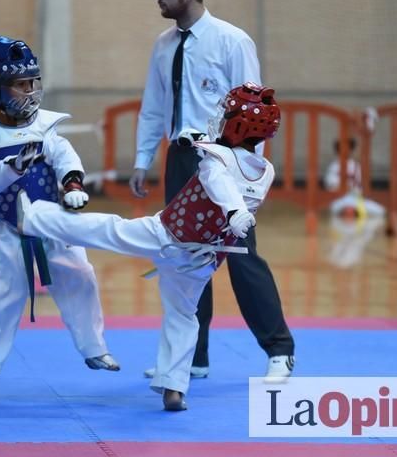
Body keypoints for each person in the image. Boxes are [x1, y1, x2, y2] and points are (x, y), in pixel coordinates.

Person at [19, 83, 283, 411]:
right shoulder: (266, 171)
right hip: (201, 261)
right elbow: (231, 171)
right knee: (185, 316)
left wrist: (234, 210)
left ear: (238, 125)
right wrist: (196, 141)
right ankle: (174, 387)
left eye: (226, 113)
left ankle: (35, 218)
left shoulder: (217, 160)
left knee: (107, 230)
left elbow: (220, 181)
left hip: (167, 235)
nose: (220, 117)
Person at [128, 0, 295, 381]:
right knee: (184, 259)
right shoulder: (164, 44)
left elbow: (257, 111)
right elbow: (152, 107)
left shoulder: (231, 42)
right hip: (180, 159)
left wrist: (250, 176)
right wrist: (142, 159)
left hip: (223, 161)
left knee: (240, 255)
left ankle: (280, 350)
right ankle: (192, 356)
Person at [0, 36, 119, 402]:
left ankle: (94, 348)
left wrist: (72, 182)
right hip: (7, 229)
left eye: (33, 82)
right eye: (21, 84)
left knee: (80, 275)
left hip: (52, 222)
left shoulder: (46, 125)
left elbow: (64, 155)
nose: (30, 92)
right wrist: (11, 166)